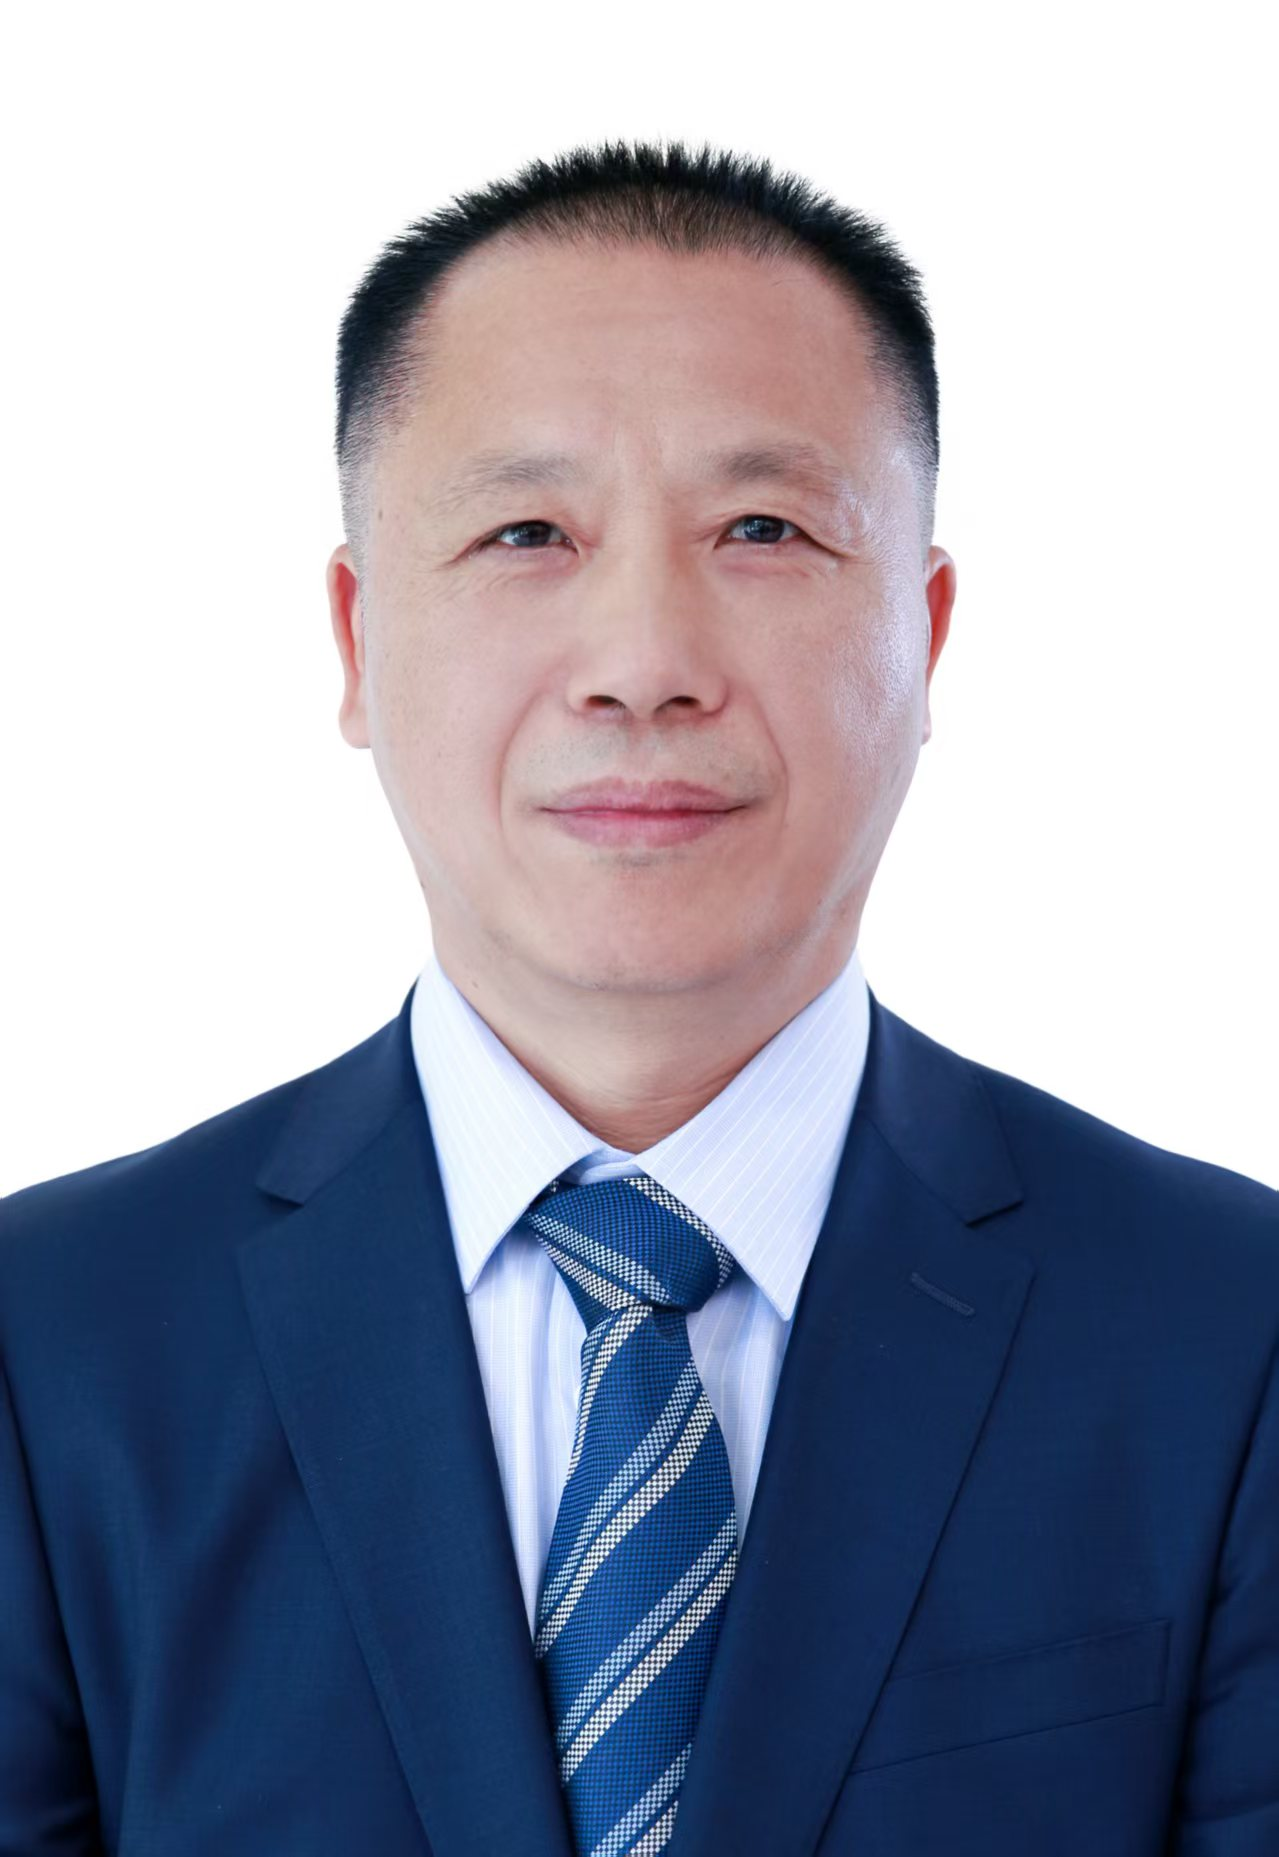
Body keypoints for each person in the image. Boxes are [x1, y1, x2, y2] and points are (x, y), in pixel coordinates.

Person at [1, 137, 1275, 1857]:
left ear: (923, 637)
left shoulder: (1231, 1335)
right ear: (358, 642)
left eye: (762, 529)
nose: (643, 665)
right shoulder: (47, 1345)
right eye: (526, 532)